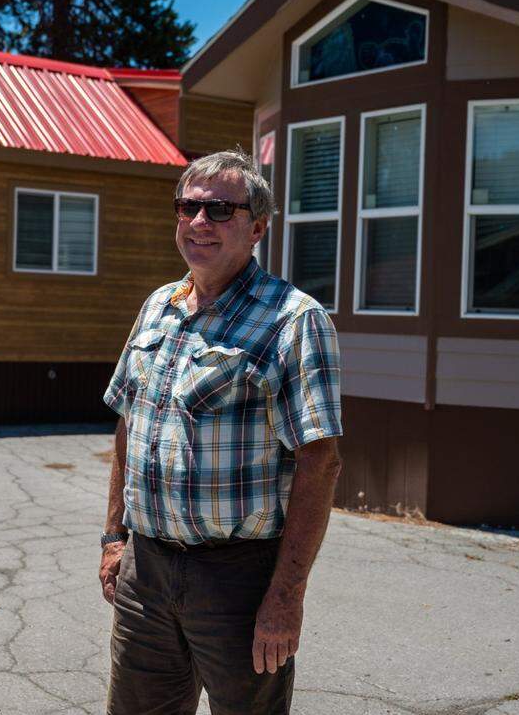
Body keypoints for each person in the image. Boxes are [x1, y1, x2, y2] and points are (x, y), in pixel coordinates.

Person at [99, 149, 343, 714]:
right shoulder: (158, 306)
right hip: (147, 571)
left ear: (257, 227)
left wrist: (286, 596)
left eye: (220, 209)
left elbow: (321, 462)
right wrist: (115, 538)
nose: (199, 221)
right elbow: (127, 424)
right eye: (188, 207)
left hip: (238, 579)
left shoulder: (294, 319)